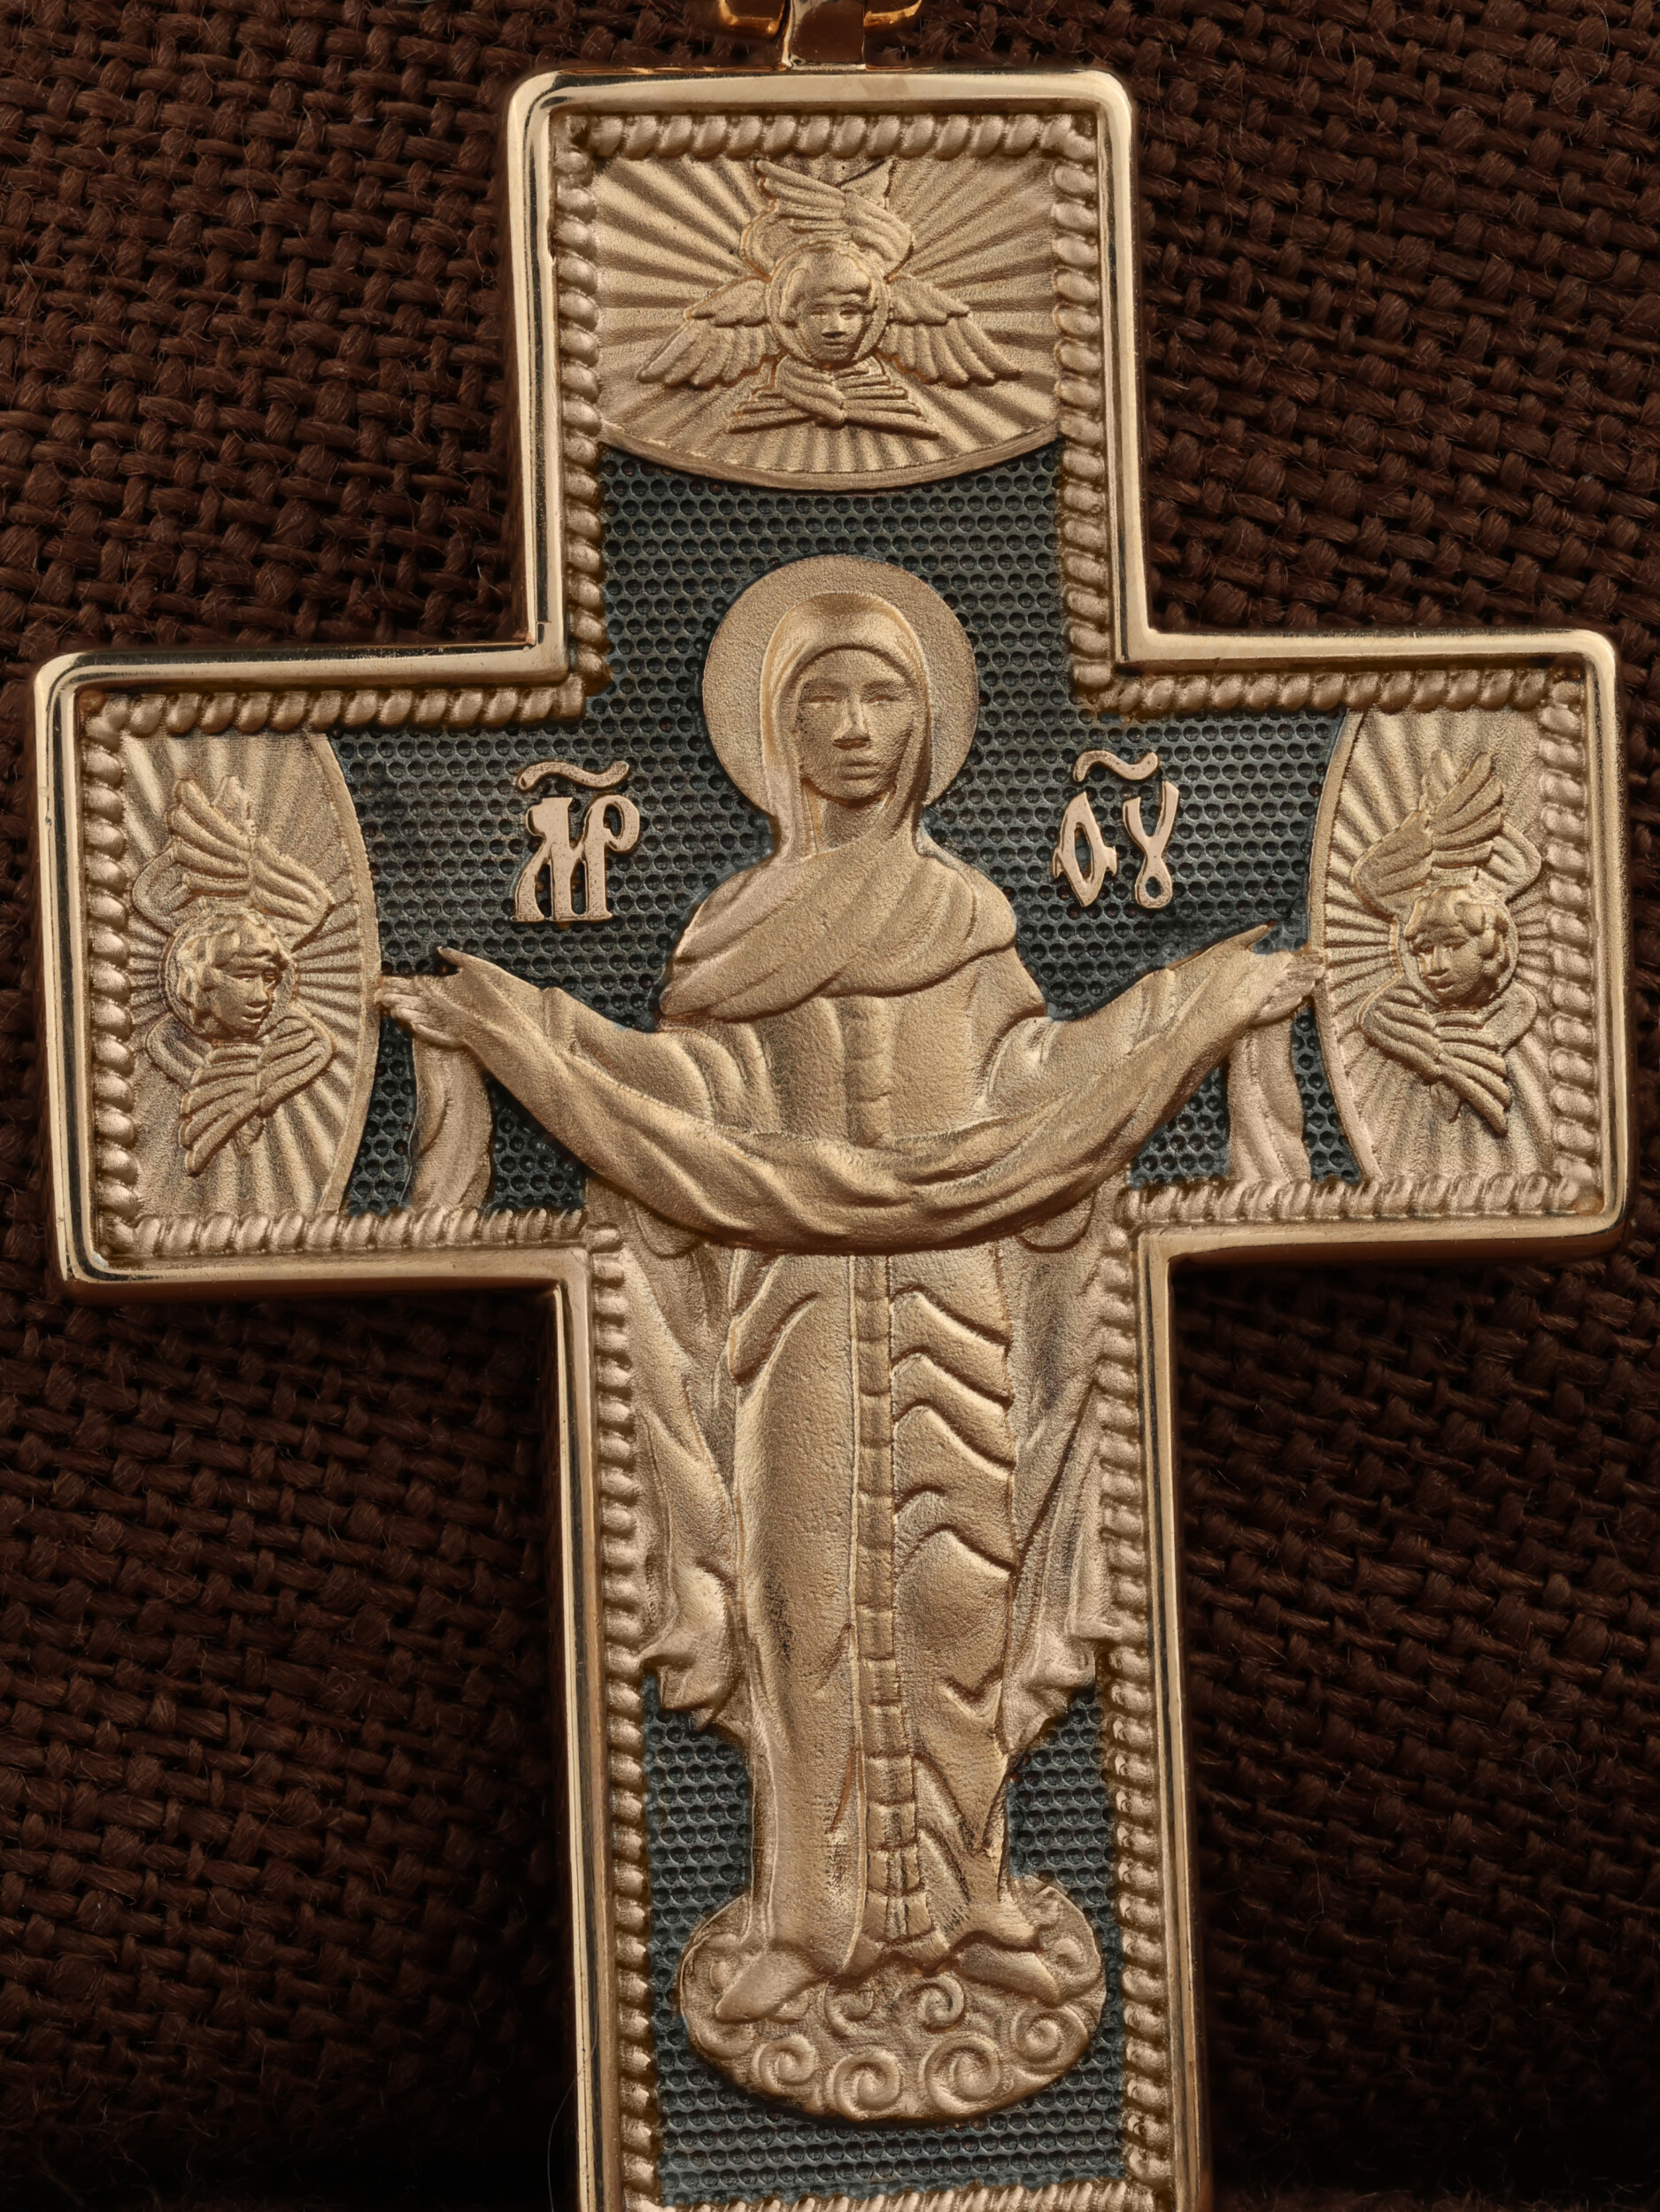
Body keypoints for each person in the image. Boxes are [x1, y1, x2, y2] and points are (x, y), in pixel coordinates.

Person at [378, 559, 1319, 2040]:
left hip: (959, 1289)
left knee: (961, 1599)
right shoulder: (734, 926)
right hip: (794, 1304)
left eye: (888, 696)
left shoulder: (968, 914)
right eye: (825, 699)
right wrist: (516, 1028)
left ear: (930, 725)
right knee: (800, 1604)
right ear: (776, 728)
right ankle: (804, 1923)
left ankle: (971, 1899)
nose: (859, 727)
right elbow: (689, 1095)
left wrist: (1195, 1008)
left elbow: (1031, 1084)